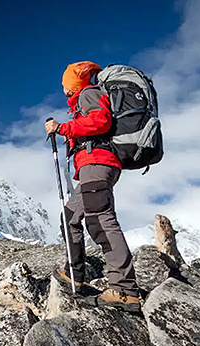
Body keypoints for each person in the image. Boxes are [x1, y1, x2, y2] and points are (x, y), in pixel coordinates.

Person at [45, 61, 141, 313]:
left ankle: (124, 289)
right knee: (70, 218)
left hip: (97, 162)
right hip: (91, 165)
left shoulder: (89, 94)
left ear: (72, 84)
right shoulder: (82, 100)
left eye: (65, 84)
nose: (63, 89)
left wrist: (63, 128)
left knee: (100, 219)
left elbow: (101, 122)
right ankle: (75, 274)